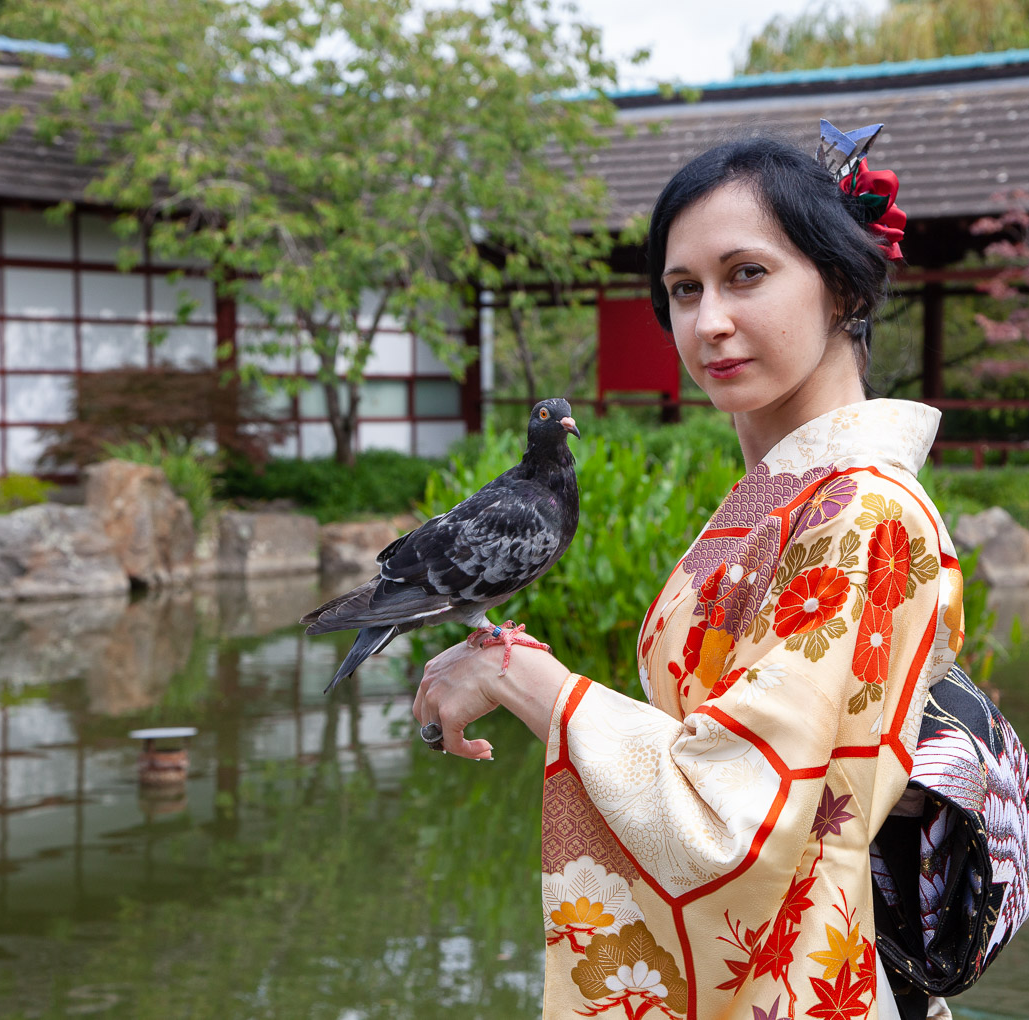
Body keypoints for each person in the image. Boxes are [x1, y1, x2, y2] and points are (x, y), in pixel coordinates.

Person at [414, 129, 970, 1019]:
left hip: (794, 979)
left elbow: (736, 816)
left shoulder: (863, 515)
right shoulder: (775, 499)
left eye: (746, 274)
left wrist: (516, 673)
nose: (708, 320)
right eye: (683, 289)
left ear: (847, 287)